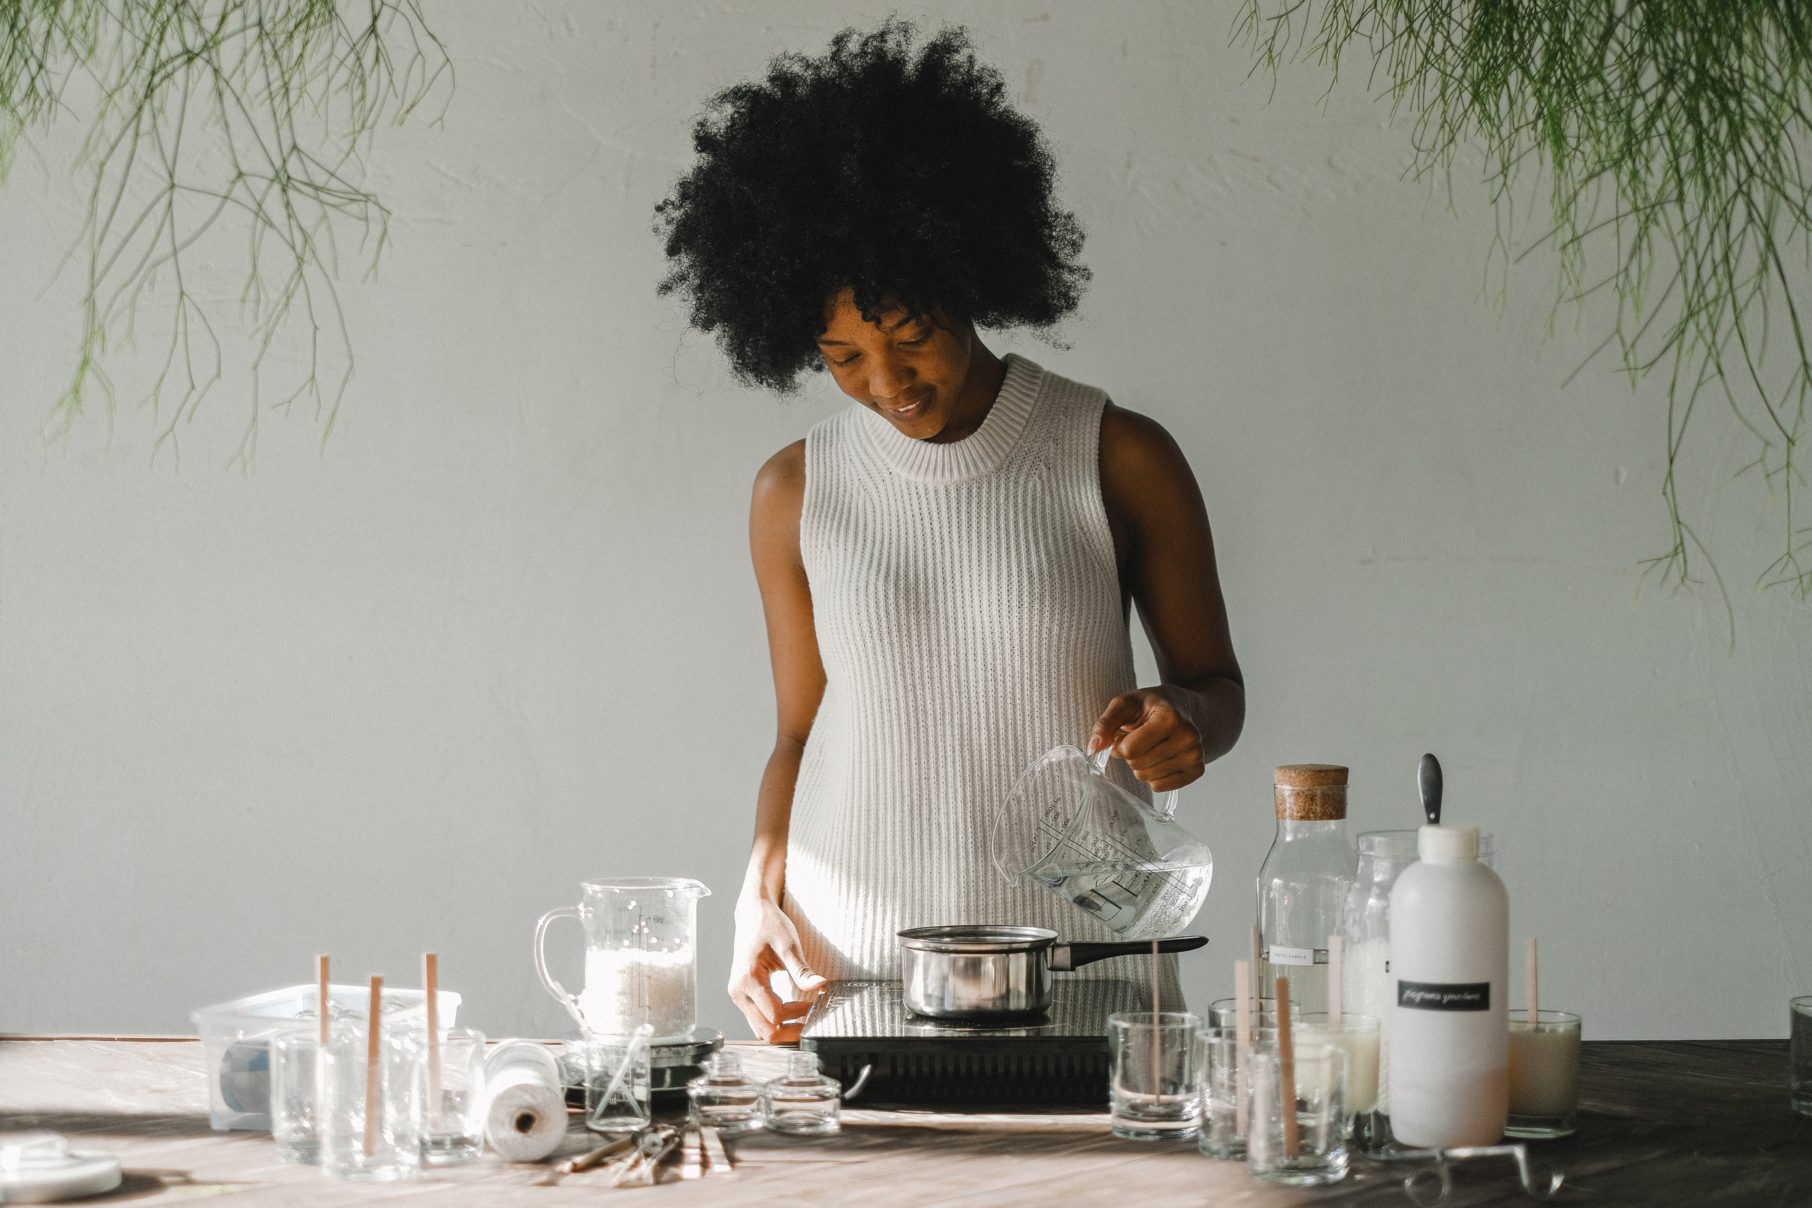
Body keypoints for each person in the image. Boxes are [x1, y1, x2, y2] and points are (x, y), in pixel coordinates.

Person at [655, 20, 1244, 1042]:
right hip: (856, 986)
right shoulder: (796, 489)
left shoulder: (1117, 453)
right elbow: (798, 732)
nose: (888, 384)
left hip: (1089, 981)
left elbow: (1217, 690)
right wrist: (757, 896)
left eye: (910, 334)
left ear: (967, 272)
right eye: (842, 357)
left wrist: (1180, 720)